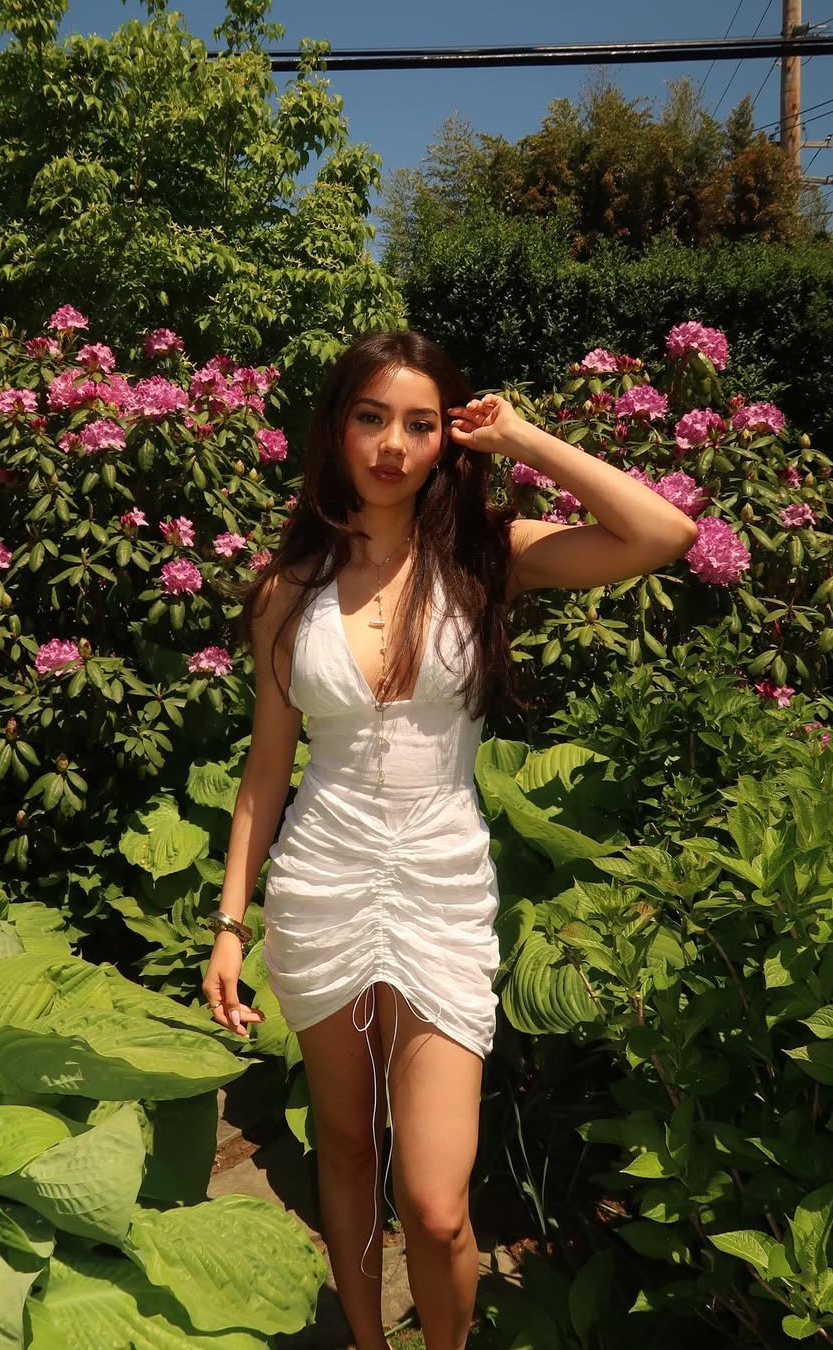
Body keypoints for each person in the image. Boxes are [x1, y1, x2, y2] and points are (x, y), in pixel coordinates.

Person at [201, 330, 697, 1350]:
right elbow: (265, 771)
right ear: (337, 429)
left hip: (440, 884)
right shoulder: (287, 589)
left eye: (419, 424)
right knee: (345, 1148)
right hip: (322, 882)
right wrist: (230, 924)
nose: (393, 444)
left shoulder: (486, 556)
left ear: (446, 441)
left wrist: (524, 438)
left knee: (434, 1204)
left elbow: (662, 533)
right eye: (372, 418)